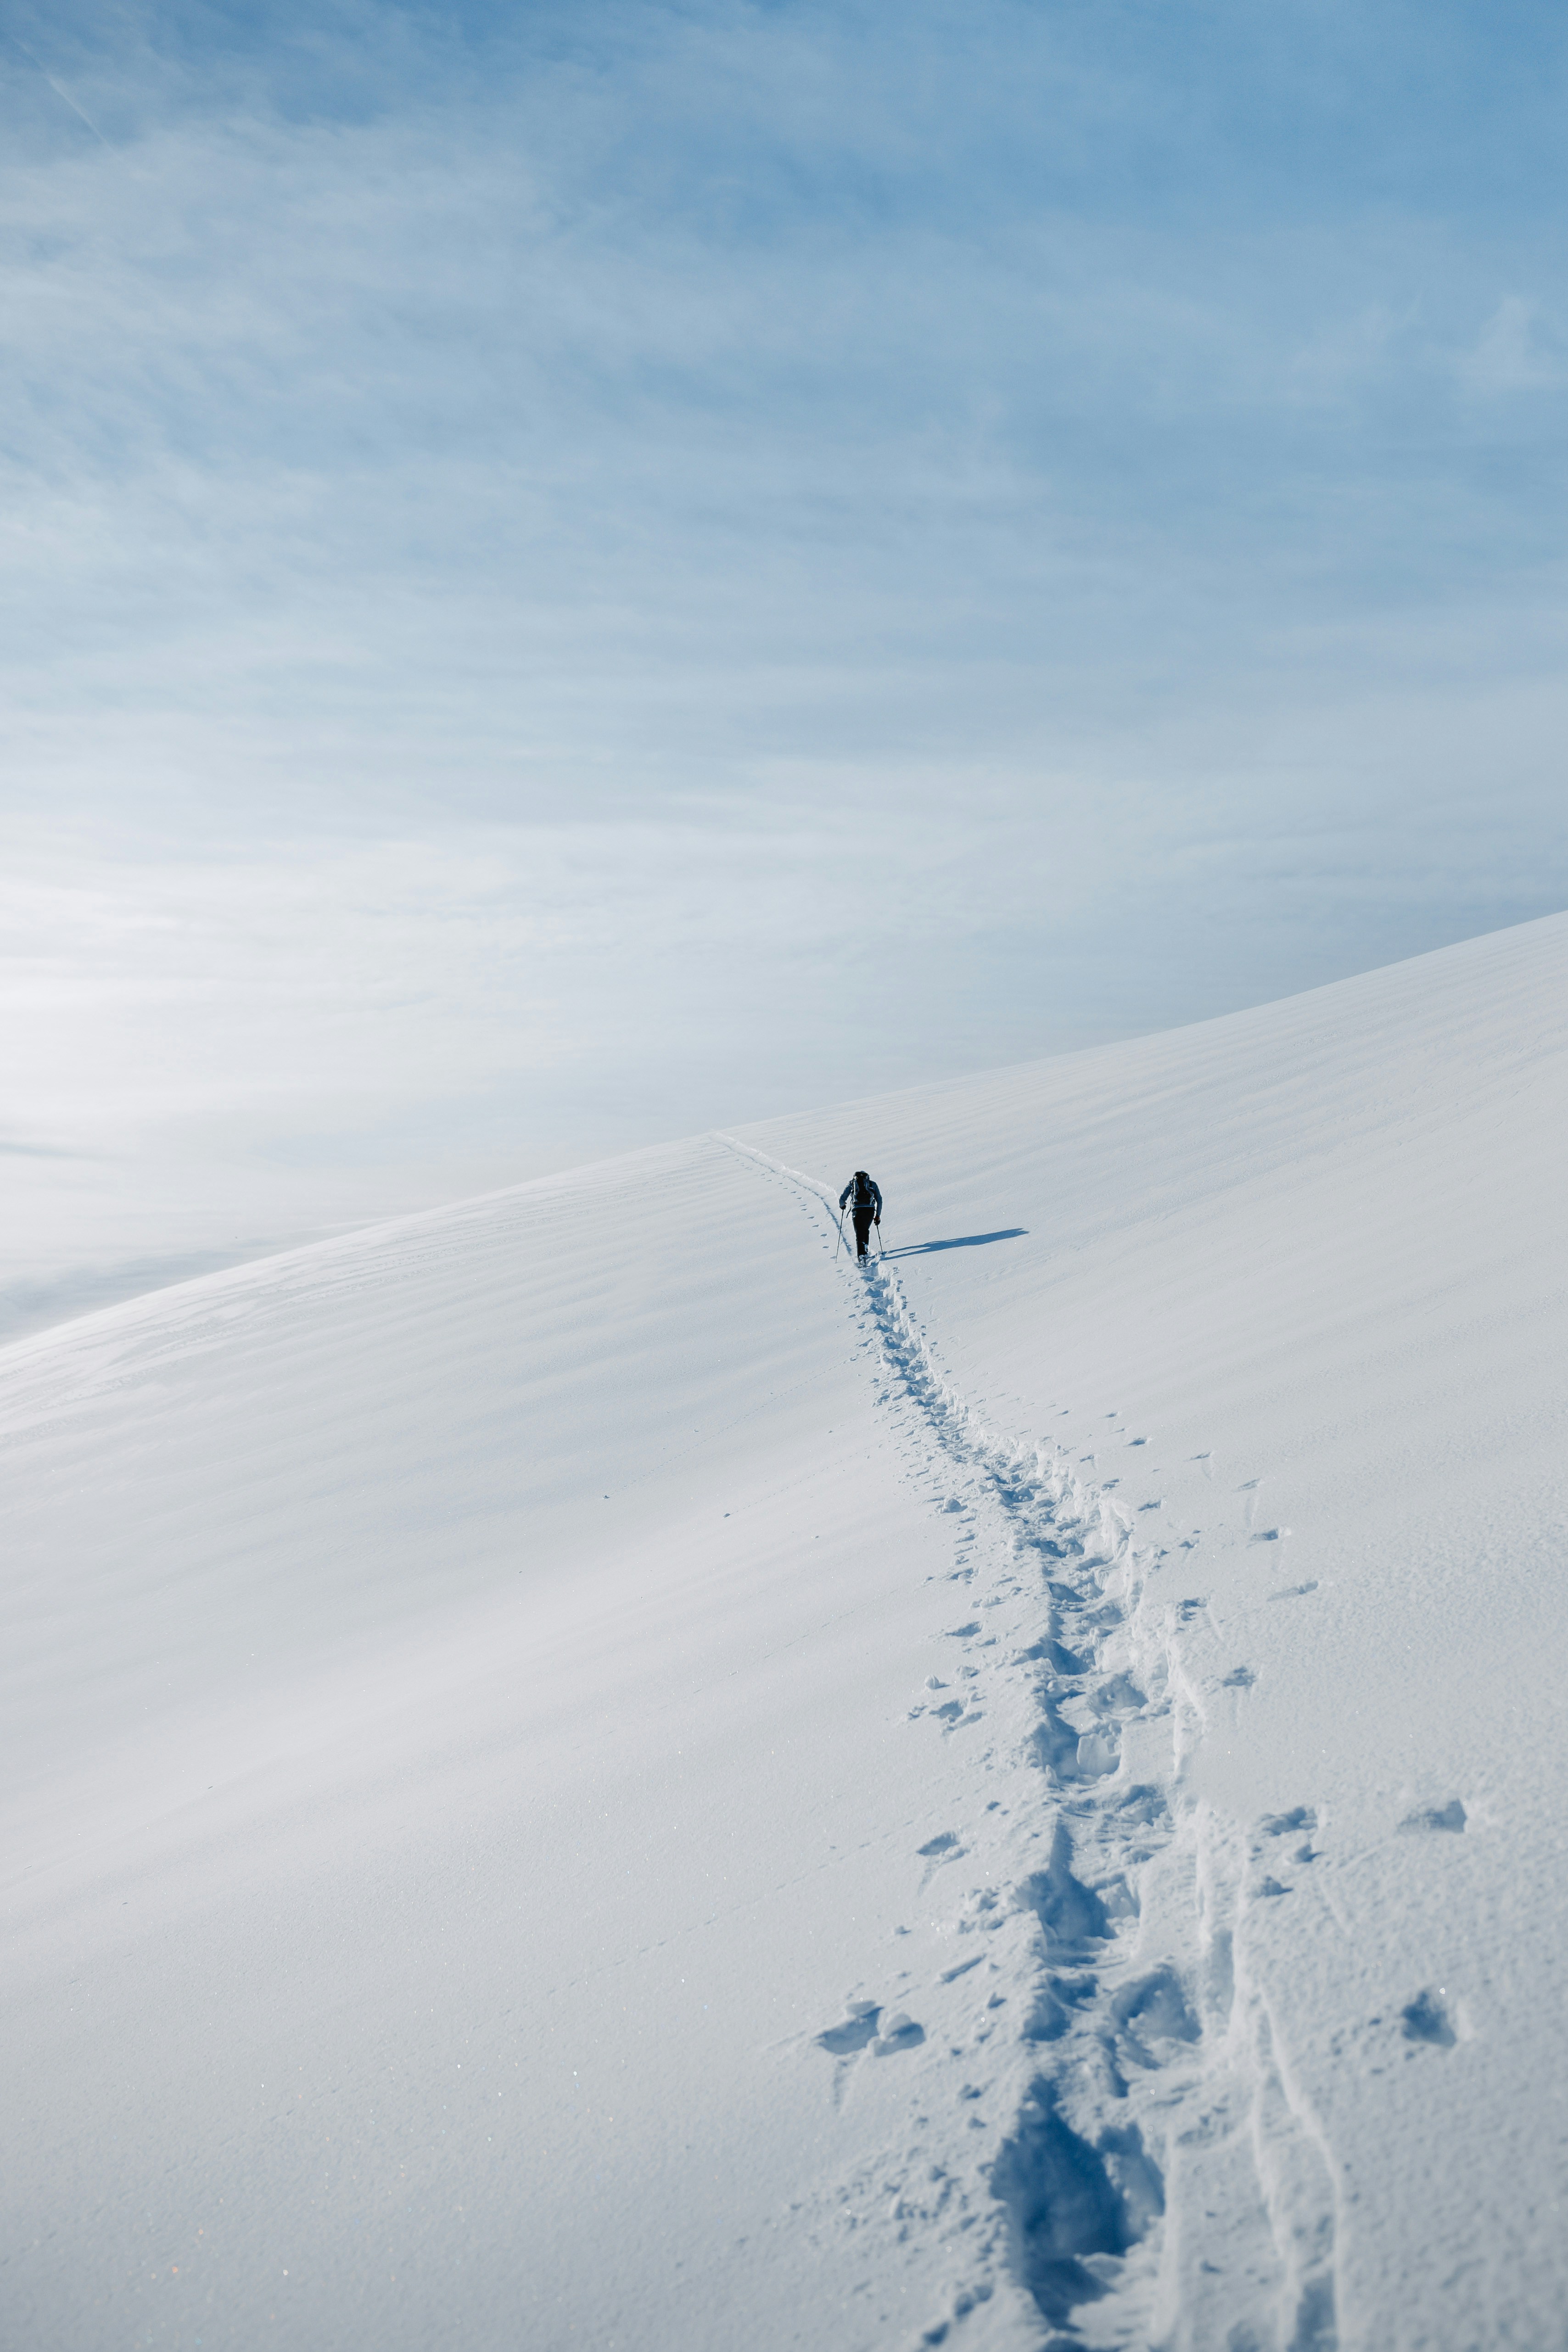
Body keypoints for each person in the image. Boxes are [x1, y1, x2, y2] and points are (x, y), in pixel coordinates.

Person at [839, 1168, 883, 1260]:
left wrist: (842, 1206)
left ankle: (861, 1256)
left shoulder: (852, 1183)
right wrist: (878, 1216)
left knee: (859, 1232)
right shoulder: (872, 1184)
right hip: (870, 1210)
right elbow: (879, 1200)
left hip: (857, 1210)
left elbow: (842, 1199)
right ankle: (865, 1249)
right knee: (865, 1229)